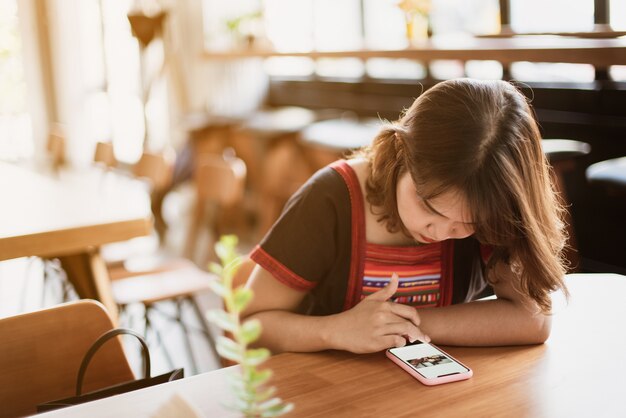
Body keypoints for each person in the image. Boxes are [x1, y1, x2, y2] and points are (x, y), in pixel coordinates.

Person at [241, 78, 568, 354]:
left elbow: (534, 319)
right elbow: (251, 324)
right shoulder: (331, 199)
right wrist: (335, 330)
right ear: (401, 150)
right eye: (428, 206)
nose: (441, 232)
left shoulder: (496, 203)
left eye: (467, 223)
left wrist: (400, 322)